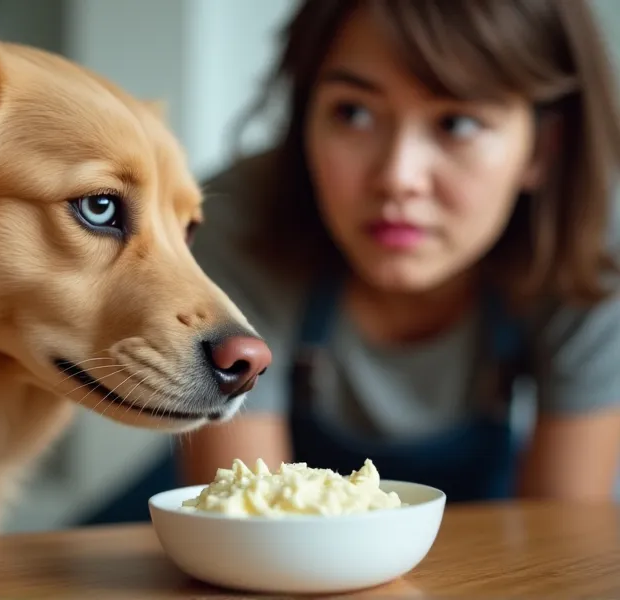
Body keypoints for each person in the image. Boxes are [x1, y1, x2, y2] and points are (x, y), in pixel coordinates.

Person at [179, 0, 620, 502]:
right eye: (354, 112)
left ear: (544, 147)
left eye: (457, 123)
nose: (397, 177)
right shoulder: (236, 222)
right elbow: (248, 533)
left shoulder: (596, 248)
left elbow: (560, 541)